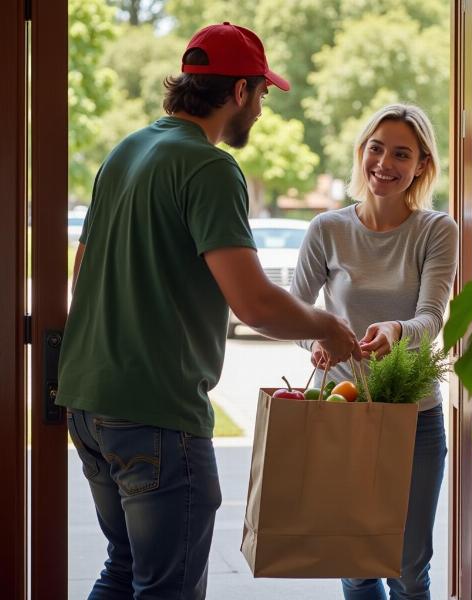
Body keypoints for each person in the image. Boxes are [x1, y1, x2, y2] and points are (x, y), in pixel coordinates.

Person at [56, 22, 360, 600]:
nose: (262, 110)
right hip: (157, 412)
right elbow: (253, 302)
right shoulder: (210, 168)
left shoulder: (126, 150)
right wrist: (328, 325)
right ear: (240, 92)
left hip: (88, 404)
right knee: (166, 588)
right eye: (263, 94)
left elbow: (81, 274)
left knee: (125, 573)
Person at [290, 103, 458, 600]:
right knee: (356, 562)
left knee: (408, 568)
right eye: (376, 148)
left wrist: (396, 329)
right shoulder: (327, 228)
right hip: (339, 407)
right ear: (362, 152)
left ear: (421, 165)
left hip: (414, 412)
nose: (385, 162)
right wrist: (317, 337)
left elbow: (431, 318)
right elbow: (294, 311)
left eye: (401, 153)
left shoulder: (436, 230)